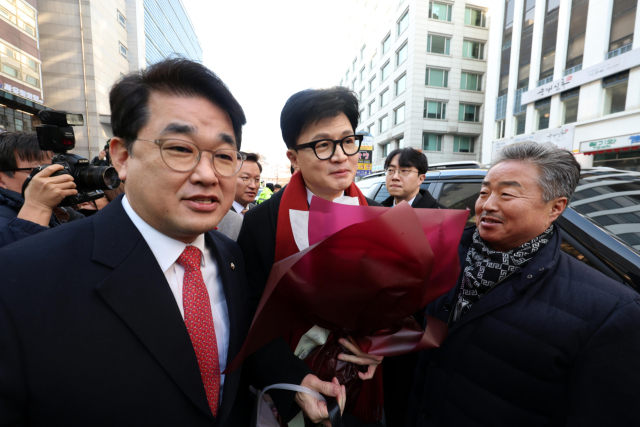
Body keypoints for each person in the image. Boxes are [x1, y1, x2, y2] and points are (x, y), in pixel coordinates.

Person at [0, 58, 345, 426]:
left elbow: (242, 346)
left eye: (224, 156)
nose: (207, 175)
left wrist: (297, 382)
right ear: (121, 156)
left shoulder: (228, 255)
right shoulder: (22, 279)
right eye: (180, 149)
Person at [407, 141, 640, 426]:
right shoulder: (445, 257)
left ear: (556, 208)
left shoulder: (612, 310)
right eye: (484, 192)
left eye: (507, 194)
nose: (487, 204)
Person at [238, 86, 384, 425]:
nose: (341, 156)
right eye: (322, 145)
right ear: (293, 157)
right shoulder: (262, 223)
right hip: (293, 384)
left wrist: (381, 346)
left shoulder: (380, 217)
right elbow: (249, 316)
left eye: (348, 141)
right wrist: (296, 382)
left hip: (362, 384)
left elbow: (400, 308)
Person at [0, 131, 79, 248]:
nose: (51, 176)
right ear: (1, 179)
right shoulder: (4, 220)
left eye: (55, 169)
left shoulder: (60, 209)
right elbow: (17, 260)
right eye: (40, 170)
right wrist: (37, 207)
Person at [232, 151, 260, 215]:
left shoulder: (259, 212)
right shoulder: (217, 215)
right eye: (245, 178)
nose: (253, 186)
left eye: (257, 179)